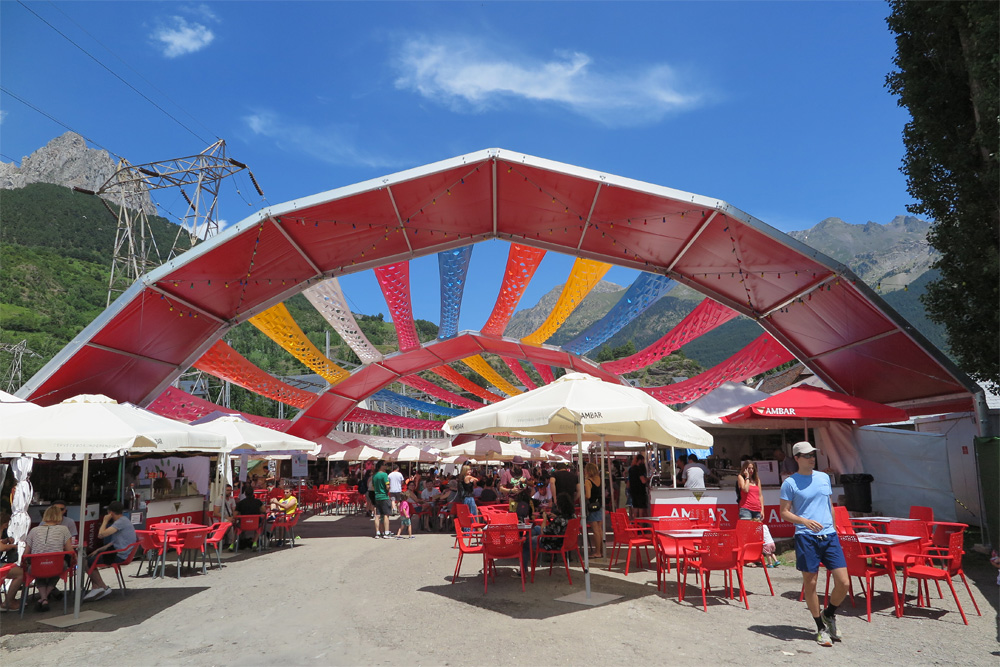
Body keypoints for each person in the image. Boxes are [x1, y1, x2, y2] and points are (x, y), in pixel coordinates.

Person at [779, 441, 848, 647]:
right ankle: (820, 628)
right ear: (797, 458)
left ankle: (829, 614)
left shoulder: (823, 477)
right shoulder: (790, 483)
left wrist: (834, 527)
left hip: (829, 536)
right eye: (807, 455)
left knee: (843, 582)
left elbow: (829, 505)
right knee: (811, 583)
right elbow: (784, 512)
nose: (812, 457)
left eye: (813, 454)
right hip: (806, 537)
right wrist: (804, 521)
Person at [2, 505, 73, 612]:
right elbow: (70, 550)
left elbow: (26, 553)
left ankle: (43, 598)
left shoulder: (34, 531)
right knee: (61, 567)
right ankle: (45, 597)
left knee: (36, 570)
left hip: (37, 567)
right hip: (56, 565)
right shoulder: (64, 529)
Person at [83, 501, 137, 602]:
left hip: (120, 555)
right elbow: (114, 541)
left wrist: (105, 521)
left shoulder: (120, 522)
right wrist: (98, 550)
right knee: (91, 557)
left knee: (86, 562)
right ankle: (96, 587)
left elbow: (101, 534)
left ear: (110, 512)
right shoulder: (124, 520)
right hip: (122, 552)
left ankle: (102, 587)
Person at [233, 484, 265, 549]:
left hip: (243, 524)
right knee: (260, 525)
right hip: (255, 524)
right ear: (253, 493)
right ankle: (255, 542)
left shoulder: (240, 503)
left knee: (236, 527)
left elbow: (234, 515)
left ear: (245, 494)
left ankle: (232, 543)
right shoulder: (258, 502)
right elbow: (264, 510)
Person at [583, 463, 604, 559]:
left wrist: (582, 497)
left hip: (592, 507)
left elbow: (588, 495)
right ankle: (601, 550)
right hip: (599, 506)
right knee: (599, 530)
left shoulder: (588, 481)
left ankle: (597, 552)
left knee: (595, 531)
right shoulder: (600, 479)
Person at [371, 461, 392, 538]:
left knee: (377, 515)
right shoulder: (384, 474)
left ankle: (377, 532)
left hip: (377, 496)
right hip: (384, 496)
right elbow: (387, 486)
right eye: (385, 465)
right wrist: (388, 488)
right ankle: (386, 532)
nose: (386, 466)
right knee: (386, 515)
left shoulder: (374, 476)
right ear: (381, 466)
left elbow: (373, 487)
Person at [628, 454, 649, 519]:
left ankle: (636, 525)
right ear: (640, 460)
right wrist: (648, 479)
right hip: (640, 491)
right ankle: (641, 526)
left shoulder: (631, 469)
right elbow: (643, 481)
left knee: (635, 508)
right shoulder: (639, 469)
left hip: (633, 491)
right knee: (641, 509)